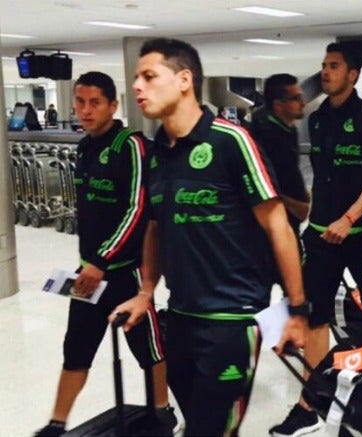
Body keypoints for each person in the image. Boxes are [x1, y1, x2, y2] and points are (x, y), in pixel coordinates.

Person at [112, 38, 307, 435]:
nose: (137, 86)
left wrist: (297, 309)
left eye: (149, 76)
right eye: (136, 78)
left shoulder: (231, 141)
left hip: (231, 320)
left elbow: (278, 225)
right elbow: (154, 225)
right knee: (196, 424)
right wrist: (147, 291)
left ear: (184, 80)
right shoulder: (158, 153)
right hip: (180, 317)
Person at [34, 71, 175, 436]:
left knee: (148, 347)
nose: (85, 110)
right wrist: (89, 264)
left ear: (114, 105)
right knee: (76, 347)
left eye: (94, 102)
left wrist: (103, 260)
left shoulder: (131, 145)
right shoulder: (84, 148)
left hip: (125, 272)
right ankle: (56, 422)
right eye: (79, 102)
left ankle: (163, 411)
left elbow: (137, 208)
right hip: (88, 275)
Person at [270, 42, 362, 437]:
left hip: (361, 233)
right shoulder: (319, 118)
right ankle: (312, 401)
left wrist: (349, 218)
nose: (325, 72)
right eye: (324, 65)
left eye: (334, 66)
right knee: (314, 315)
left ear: (353, 74)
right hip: (322, 236)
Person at [248, 73, 310, 240]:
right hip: (274, 229)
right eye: (296, 98)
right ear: (278, 105)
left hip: (289, 223)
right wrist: (295, 205)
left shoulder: (288, 131)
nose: (303, 103)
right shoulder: (267, 139)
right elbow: (261, 185)